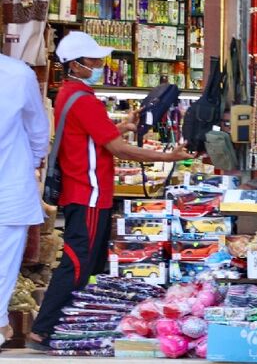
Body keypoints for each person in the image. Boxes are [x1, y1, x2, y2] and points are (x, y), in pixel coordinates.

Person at [29, 32, 194, 350]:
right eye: (93, 60)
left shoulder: (70, 94)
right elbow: (120, 150)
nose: (99, 64)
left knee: (88, 263)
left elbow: (90, 137)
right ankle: (43, 329)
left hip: (84, 192)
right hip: (88, 192)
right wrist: (168, 156)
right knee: (78, 262)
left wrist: (121, 126)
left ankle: (67, 325)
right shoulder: (84, 100)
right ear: (75, 65)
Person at [0, 55, 49, 345]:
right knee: (3, 265)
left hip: (12, 189)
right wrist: (26, 165)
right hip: (11, 189)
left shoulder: (19, 74)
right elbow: (38, 131)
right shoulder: (18, 74)